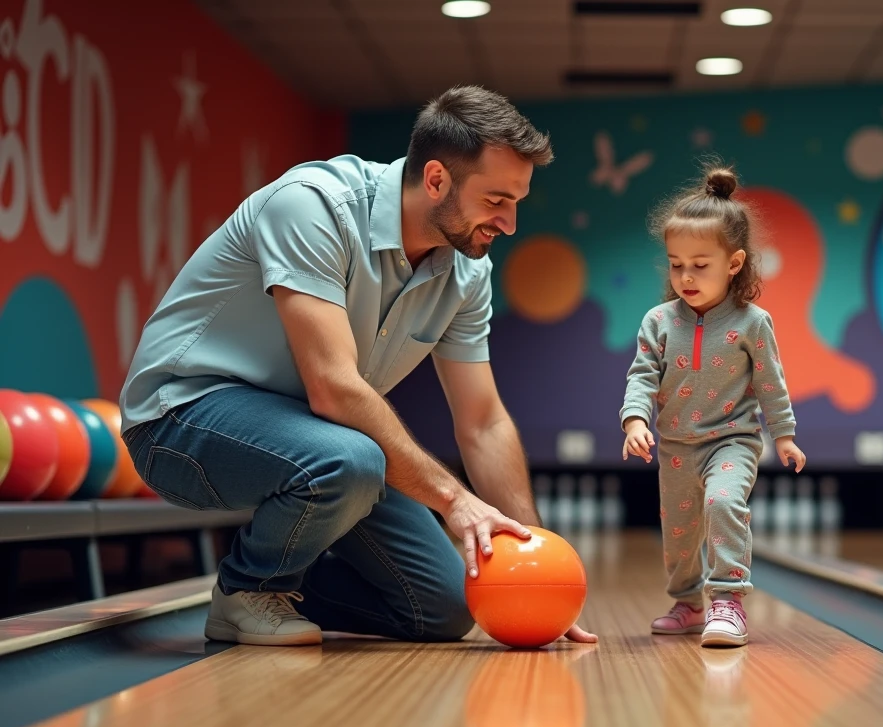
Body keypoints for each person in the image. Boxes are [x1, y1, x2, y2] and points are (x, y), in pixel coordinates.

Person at [118, 85, 597, 647]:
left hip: (317, 441)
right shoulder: (314, 205)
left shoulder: (468, 273)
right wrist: (454, 500)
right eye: (496, 200)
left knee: (442, 611)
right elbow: (334, 388)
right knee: (350, 458)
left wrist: (533, 563)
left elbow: (483, 421)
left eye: (516, 202)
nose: (509, 224)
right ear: (437, 179)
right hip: (182, 419)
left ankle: (292, 577)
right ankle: (248, 589)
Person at [618, 163, 805, 648]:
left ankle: (728, 602)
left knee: (723, 503)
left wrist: (783, 434)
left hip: (733, 440)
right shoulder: (657, 321)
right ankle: (688, 603)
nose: (686, 275)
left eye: (700, 265)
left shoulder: (752, 322)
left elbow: (770, 382)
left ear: (735, 264)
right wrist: (635, 419)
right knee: (680, 539)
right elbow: (641, 375)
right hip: (676, 446)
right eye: (676, 264)